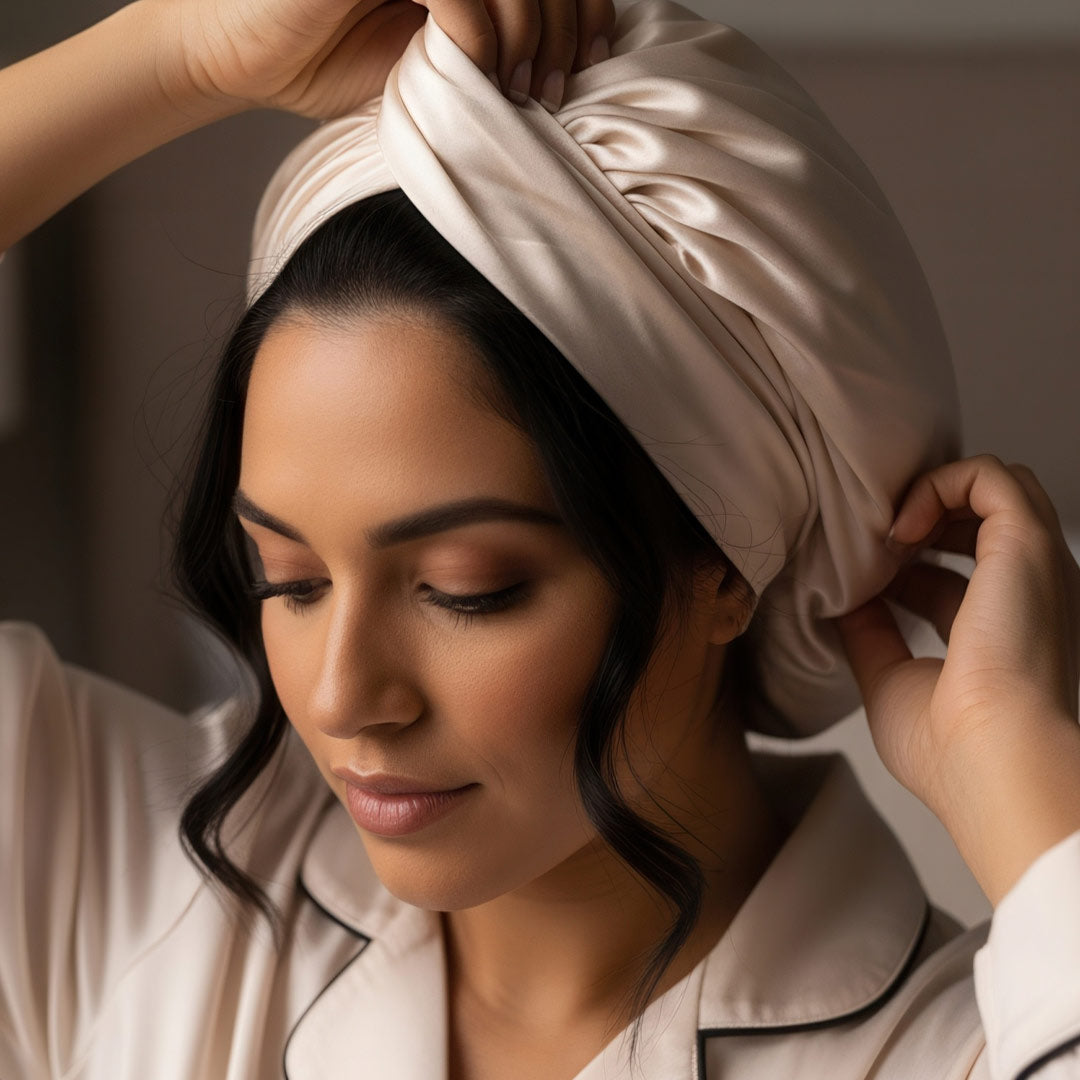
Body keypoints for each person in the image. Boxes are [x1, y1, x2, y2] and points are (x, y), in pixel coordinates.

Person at [2, 0, 1079, 1077]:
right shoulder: (134, 888)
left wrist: (1029, 786)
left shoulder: (958, 1052)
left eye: (466, 589)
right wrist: (183, 53)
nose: (339, 698)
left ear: (723, 562)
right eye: (291, 580)